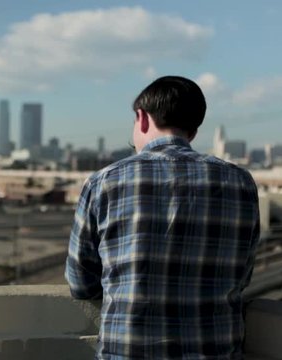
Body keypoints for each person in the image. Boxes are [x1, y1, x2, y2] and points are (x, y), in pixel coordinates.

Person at [65, 76, 260, 359]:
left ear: (141, 118)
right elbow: (242, 275)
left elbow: (80, 283)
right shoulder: (240, 182)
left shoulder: (104, 182)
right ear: (193, 130)